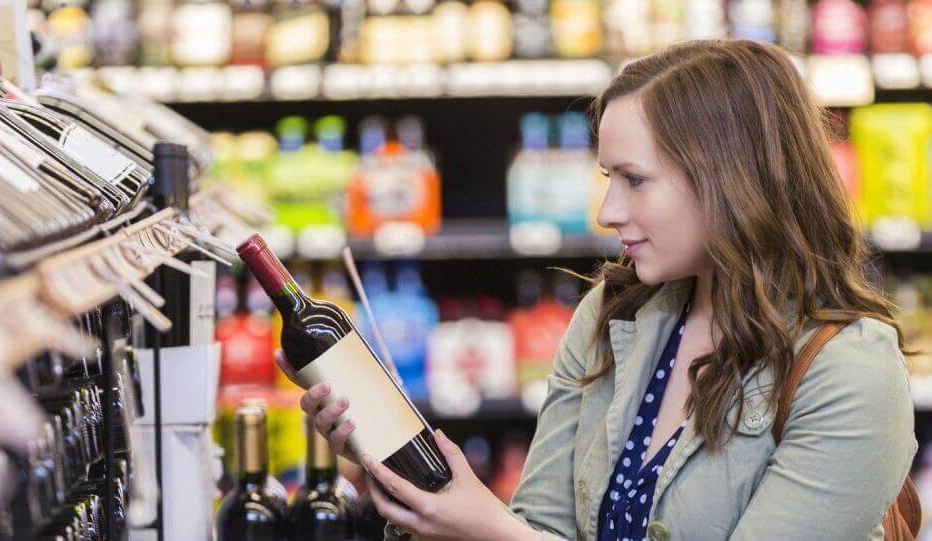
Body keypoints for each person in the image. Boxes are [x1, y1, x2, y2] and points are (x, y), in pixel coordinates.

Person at [276, 38, 918, 540]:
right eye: (608, 176)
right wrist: (409, 484)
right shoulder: (613, 316)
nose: (607, 210)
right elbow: (543, 528)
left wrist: (496, 531)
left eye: (635, 180)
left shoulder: (847, 370)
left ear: (733, 181)